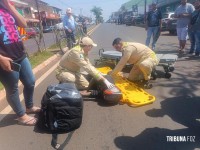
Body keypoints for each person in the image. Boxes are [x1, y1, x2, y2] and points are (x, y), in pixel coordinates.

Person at [0, 0, 40, 126]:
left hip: (20, 54)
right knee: (12, 89)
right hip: (5, 58)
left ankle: (29, 106)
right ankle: (21, 115)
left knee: (30, 81)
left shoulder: (7, 5)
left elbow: (23, 24)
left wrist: (9, 6)